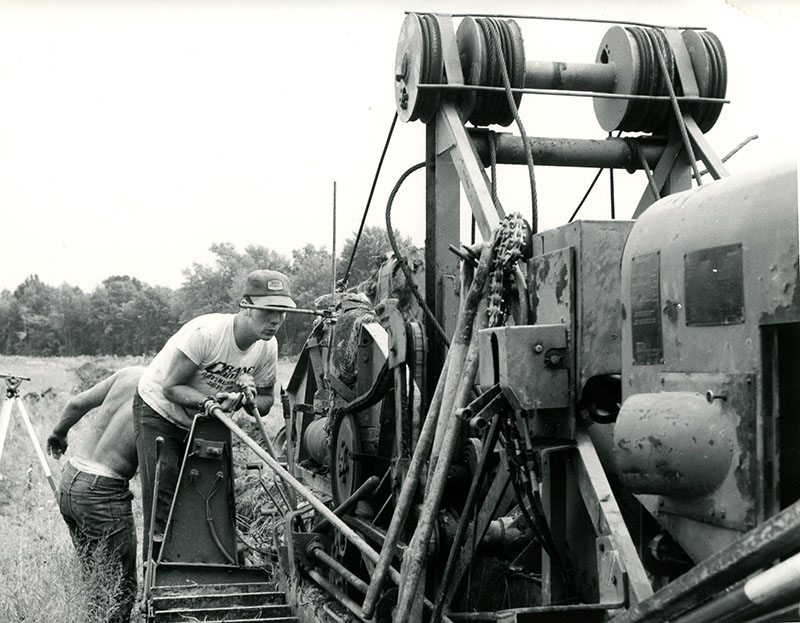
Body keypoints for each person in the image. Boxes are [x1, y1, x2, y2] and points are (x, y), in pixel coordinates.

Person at [134, 269, 295, 559]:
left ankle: (202, 567)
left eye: (282, 313)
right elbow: (171, 387)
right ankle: (157, 577)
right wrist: (210, 401)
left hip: (208, 417)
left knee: (208, 492)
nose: (275, 320)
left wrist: (250, 396)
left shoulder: (267, 347)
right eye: (268, 310)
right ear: (246, 306)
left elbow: (267, 402)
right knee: (164, 496)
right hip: (160, 411)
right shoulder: (207, 334)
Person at [47, 366, 145, 623]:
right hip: (102, 492)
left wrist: (58, 433)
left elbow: (76, 403)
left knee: (95, 575)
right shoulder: (163, 393)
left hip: (71, 481)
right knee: (119, 588)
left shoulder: (130, 373)